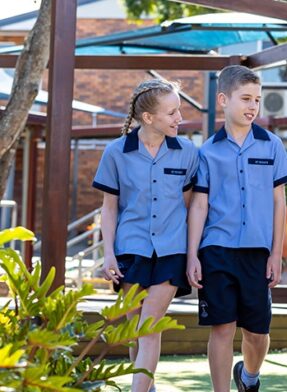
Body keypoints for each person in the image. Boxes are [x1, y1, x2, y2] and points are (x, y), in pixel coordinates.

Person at [186, 65, 287, 392]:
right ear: (223, 99)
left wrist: (277, 253)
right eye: (245, 98)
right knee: (222, 328)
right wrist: (193, 255)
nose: (252, 106)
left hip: (258, 252)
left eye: (257, 100)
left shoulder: (272, 146)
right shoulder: (208, 151)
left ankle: (248, 376)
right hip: (216, 250)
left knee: (257, 332)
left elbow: (279, 203)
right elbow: (199, 205)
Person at [94, 78, 197, 392]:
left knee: (149, 325)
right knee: (134, 327)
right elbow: (109, 207)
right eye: (172, 112)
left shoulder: (188, 152)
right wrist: (108, 253)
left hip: (171, 250)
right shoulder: (116, 153)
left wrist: (192, 254)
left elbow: (190, 205)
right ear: (149, 118)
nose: (179, 118)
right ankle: (147, 386)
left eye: (179, 110)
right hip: (131, 248)